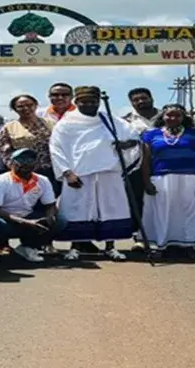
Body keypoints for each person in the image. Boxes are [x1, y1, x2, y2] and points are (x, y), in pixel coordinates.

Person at [49, 85, 137, 261]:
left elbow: (134, 138)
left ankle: (111, 247)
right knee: (77, 210)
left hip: (108, 173)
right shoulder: (66, 124)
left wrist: (126, 144)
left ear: (99, 102)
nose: (89, 104)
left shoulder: (111, 120)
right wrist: (67, 173)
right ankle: (75, 247)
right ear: (77, 102)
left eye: (93, 102)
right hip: (78, 174)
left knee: (110, 209)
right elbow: (56, 149)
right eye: (84, 101)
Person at [139, 104, 195, 256]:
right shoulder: (150, 134)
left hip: (192, 178)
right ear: (163, 116)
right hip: (161, 178)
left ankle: (191, 245)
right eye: (169, 115)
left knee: (190, 211)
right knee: (162, 211)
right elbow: (145, 160)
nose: (173, 118)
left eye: (177, 115)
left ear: (184, 117)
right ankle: (160, 244)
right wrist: (146, 181)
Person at [0, 149, 64, 263]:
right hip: (6, 219)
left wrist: (49, 217)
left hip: (27, 216)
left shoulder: (43, 180)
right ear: (11, 163)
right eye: (21, 160)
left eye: (30, 160)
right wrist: (25, 222)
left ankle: (27, 247)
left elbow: (50, 205)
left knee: (60, 220)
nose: (26, 164)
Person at [123, 87, 159, 252]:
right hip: (136, 167)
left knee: (163, 202)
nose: (140, 102)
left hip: (163, 165)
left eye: (144, 98)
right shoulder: (126, 120)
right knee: (138, 202)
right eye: (136, 100)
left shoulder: (167, 116)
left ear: (152, 98)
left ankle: (164, 235)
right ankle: (139, 237)